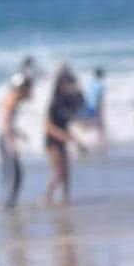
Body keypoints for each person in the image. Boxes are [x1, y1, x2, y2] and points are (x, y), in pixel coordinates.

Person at [44, 64, 86, 207]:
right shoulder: (54, 103)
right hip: (52, 140)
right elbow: (48, 127)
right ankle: (47, 198)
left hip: (63, 138)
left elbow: (78, 109)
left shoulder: (68, 101)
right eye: (68, 83)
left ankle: (66, 200)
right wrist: (71, 139)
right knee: (59, 173)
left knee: (67, 173)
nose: (70, 86)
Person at [0, 72, 32, 210]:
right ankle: (9, 205)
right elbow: (6, 123)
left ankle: (11, 204)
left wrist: (20, 134)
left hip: (6, 137)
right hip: (6, 139)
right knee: (13, 174)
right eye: (26, 86)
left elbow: (8, 123)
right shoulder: (12, 99)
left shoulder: (13, 99)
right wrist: (12, 143)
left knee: (14, 174)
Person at [83, 67, 106, 144]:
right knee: (100, 123)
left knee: (88, 122)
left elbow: (88, 95)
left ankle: (83, 137)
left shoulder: (91, 83)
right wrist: (101, 109)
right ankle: (100, 140)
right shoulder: (101, 84)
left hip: (88, 105)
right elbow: (100, 98)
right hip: (95, 105)